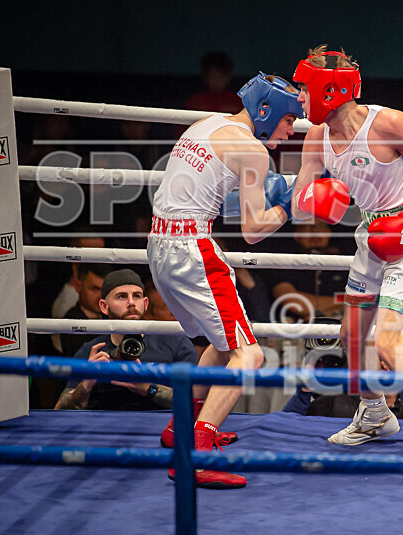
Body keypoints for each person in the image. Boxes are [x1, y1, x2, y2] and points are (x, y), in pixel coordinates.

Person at [291, 45, 403, 487]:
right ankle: (375, 415)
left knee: (387, 344)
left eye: (302, 88)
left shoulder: (388, 122)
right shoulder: (316, 138)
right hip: (371, 239)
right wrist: (309, 198)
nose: (297, 98)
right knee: (351, 339)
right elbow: (298, 196)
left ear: (328, 90)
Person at [147, 71, 304, 489]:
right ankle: (195, 452)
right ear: (267, 111)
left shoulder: (208, 123)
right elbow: (253, 231)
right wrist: (290, 207)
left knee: (221, 346)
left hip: (160, 246)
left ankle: (181, 428)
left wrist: (274, 192)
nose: (290, 133)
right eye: (289, 122)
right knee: (249, 356)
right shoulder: (253, 150)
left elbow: (212, 191)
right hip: (191, 249)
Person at [54, 269, 198, 410]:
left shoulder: (175, 342)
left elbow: (196, 400)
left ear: (145, 304)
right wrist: (87, 383)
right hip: (104, 430)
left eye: (136, 296)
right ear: (104, 306)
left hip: (161, 429)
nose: (131, 302)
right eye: (121, 296)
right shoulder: (93, 351)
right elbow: (59, 411)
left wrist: (147, 388)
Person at [59, 263, 112, 357]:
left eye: (104, 290)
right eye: (95, 289)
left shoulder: (110, 316)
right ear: (78, 286)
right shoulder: (70, 321)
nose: (101, 296)